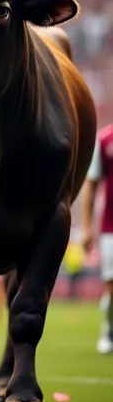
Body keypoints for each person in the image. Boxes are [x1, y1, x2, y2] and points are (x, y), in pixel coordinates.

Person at [82, 122, 113, 354]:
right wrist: (86, 229)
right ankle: (108, 330)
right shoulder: (104, 139)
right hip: (110, 227)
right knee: (111, 284)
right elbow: (91, 185)